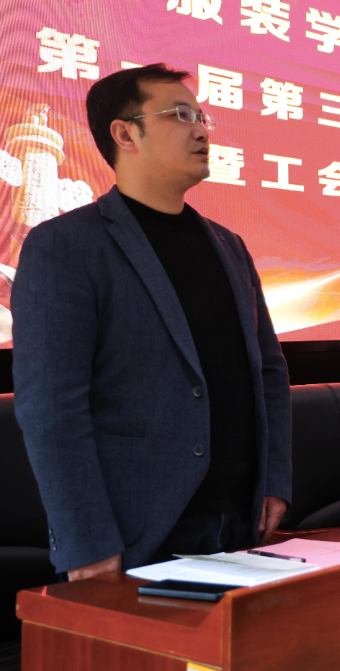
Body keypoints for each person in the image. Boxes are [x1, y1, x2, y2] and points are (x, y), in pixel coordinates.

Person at [11, 64, 291, 580]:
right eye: (181, 115)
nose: (201, 130)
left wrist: (274, 480)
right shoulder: (66, 246)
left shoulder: (229, 246)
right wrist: (86, 542)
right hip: (134, 533)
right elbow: (52, 409)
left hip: (240, 522)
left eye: (203, 117)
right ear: (125, 134)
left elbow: (267, 372)